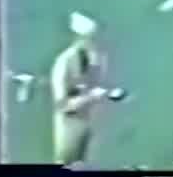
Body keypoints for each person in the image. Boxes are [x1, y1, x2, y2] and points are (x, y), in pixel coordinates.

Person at [51, 13, 122, 165]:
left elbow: (95, 85)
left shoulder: (94, 60)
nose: (95, 43)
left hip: (88, 121)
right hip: (70, 125)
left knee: (83, 163)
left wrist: (107, 93)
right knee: (67, 163)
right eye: (91, 39)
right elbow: (63, 106)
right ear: (79, 38)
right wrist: (91, 97)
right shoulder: (64, 64)